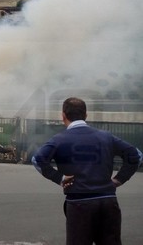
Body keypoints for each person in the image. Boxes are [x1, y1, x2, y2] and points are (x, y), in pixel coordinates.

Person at [32, 97, 142, 245]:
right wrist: (119, 179)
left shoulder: (59, 139)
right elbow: (136, 155)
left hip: (78, 204)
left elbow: (37, 160)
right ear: (86, 115)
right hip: (108, 201)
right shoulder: (106, 137)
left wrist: (59, 178)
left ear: (63, 115)